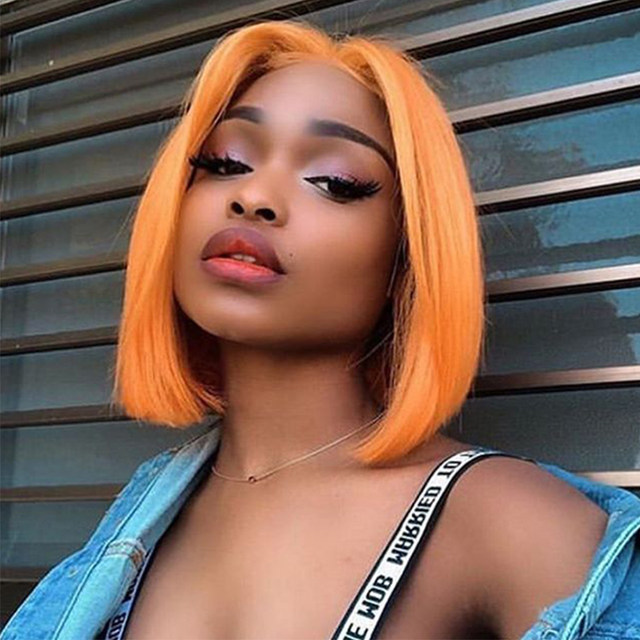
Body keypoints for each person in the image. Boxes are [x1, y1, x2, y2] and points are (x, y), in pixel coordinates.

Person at [3, 19, 639, 640]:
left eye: (334, 181)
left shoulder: (505, 521)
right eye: (225, 162)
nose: (254, 197)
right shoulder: (129, 532)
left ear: (406, 257)